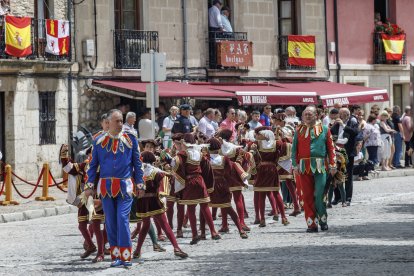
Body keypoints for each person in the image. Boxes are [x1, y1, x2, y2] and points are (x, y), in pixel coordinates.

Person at [85, 109, 144, 268]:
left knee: (122, 219)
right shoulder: (98, 141)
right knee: (110, 222)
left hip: (125, 187)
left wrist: (140, 184)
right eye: (117, 121)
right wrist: (89, 186)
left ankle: (126, 256)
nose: (120, 124)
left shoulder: (131, 139)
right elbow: (92, 166)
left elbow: (137, 163)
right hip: (105, 188)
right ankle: (115, 256)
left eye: (121, 121)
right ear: (108, 122)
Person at [133, 151, 188, 259]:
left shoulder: (137, 172)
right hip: (154, 201)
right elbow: (168, 180)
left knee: (145, 226)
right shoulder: (157, 172)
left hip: (141, 202)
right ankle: (176, 248)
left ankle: (137, 251)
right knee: (165, 225)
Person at [291, 106, 336, 232]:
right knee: (307, 196)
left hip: (320, 166)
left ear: (316, 115)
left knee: (320, 195)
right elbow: (294, 149)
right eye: (305, 114)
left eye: (310, 114)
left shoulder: (325, 129)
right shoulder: (298, 130)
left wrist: (333, 164)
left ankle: (323, 219)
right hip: (303, 167)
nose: (307, 116)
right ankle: (312, 224)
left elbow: (331, 148)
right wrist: (294, 164)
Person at [172, 133, 221, 244]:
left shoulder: (183, 154)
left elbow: (176, 164)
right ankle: (213, 231)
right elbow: (207, 167)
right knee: (205, 207)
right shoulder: (200, 154)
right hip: (200, 181)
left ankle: (195, 234)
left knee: (191, 209)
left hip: (189, 182)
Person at [60, 144, 106, 263]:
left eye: (94, 152)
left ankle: (101, 253)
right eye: (91, 153)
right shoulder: (85, 165)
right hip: (85, 198)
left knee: (96, 225)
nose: (92, 155)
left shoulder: (105, 165)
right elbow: (68, 168)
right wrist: (64, 155)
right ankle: (91, 246)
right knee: (81, 225)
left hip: (98, 197)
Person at [203, 137, 248, 239]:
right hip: (222, 185)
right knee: (228, 208)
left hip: (210, 185)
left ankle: (205, 233)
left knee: (204, 208)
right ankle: (240, 230)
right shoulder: (224, 159)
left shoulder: (205, 159)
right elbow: (228, 172)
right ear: (219, 148)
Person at [250, 126, 289, 227]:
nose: (258, 136)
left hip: (262, 170)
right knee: (276, 193)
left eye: (260, 135)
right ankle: (283, 217)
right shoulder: (276, 143)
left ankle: (262, 219)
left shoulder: (257, 144)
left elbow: (252, 156)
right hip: (272, 169)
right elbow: (286, 147)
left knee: (262, 195)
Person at [330, 108, 359, 206]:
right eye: (339, 114)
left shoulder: (352, 121)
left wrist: (343, 125)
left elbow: (355, 132)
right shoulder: (337, 123)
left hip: (348, 152)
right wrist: (332, 125)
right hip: (337, 152)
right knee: (335, 174)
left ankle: (348, 198)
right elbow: (330, 133)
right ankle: (337, 197)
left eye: (341, 114)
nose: (339, 116)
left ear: (346, 114)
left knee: (347, 176)